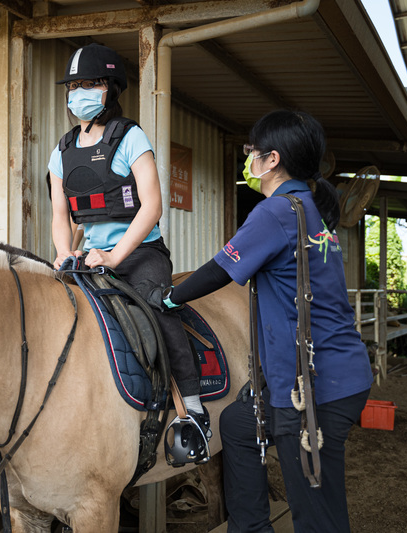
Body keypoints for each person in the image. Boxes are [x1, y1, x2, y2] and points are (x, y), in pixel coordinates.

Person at [152, 109, 374, 532]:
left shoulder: (276, 213)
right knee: (237, 423)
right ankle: (250, 526)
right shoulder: (307, 209)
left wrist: (168, 296)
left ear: (272, 159)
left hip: (313, 387)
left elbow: (219, 269)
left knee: (316, 511)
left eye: (251, 150)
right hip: (338, 371)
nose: (247, 158)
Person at [47, 43, 209, 460]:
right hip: (89, 257)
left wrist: (116, 257)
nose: (79, 92)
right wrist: (65, 252)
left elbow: (152, 206)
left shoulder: (131, 137)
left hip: (139, 254)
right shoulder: (61, 152)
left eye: (91, 84)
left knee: (157, 305)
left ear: (110, 89)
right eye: (74, 85)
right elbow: (60, 216)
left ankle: (192, 410)